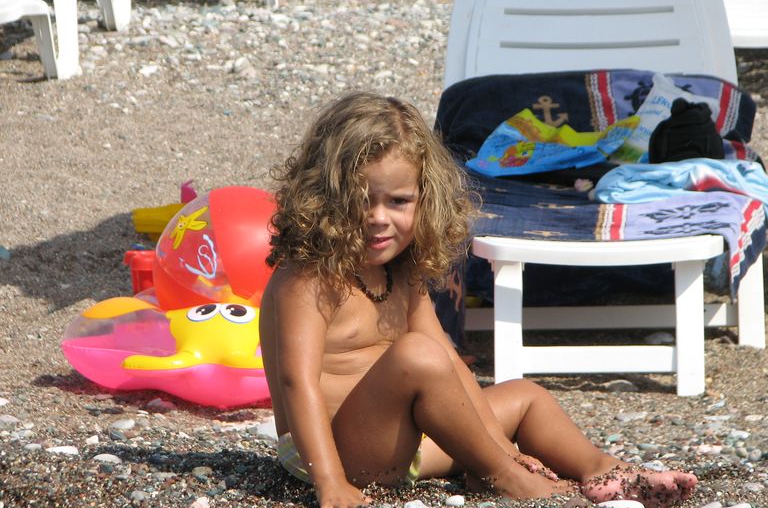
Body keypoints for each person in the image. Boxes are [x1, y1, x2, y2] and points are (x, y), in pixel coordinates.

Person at [259, 92, 698, 508]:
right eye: (360, 200)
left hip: (401, 445)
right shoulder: (309, 277)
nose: (378, 218)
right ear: (325, 197)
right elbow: (298, 382)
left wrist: (502, 447)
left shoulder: (401, 271)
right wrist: (331, 482)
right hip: (334, 454)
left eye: (398, 201)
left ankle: (605, 471)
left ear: (425, 200)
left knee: (524, 396)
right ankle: (498, 476)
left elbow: (449, 363)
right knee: (417, 354)